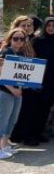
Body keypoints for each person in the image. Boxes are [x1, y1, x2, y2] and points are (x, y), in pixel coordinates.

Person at [12, 17, 54, 147]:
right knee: (33, 109)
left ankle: (38, 132)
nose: (51, 28)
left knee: (46, 107)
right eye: (48, 25)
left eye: (53, 26)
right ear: (44, 26)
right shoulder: (37, 40)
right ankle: (28, 135)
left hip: (52, 80)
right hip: (37, 80)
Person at [0, 29, 28, 159]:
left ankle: (5, 145)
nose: (18, 41)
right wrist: (13, 89)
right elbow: (1, 75)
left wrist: (21, 87)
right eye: (16, 38)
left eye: (21, 39)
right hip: (6, 91)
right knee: (3, 120)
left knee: (12, 120)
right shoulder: (6, 52)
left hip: (17, 92)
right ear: (10, 38)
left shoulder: (21, 53)